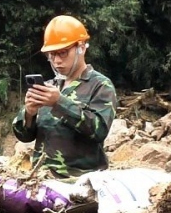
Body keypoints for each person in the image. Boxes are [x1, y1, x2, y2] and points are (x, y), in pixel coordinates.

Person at [12, 15, 117, 177]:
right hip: (41, 180)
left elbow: (99, 130)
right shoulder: (49, 87)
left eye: (63, 53)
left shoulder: (100, 85)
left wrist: (59, 102)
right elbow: (24, 136)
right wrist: (29, 113)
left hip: (80, 182)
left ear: (81, 47)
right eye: (51, 55)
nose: (57, 61)